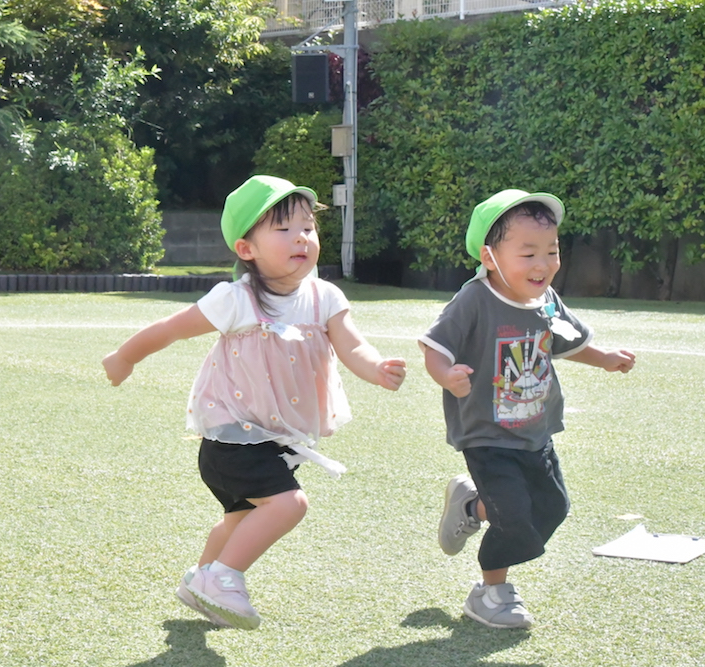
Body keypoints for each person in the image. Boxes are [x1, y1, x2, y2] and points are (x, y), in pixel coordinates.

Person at [103, 175, 407, 630]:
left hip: (276, 439)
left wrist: (377, 367)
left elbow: (352, 345)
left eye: (308, 228)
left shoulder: (325, 297)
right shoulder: (237, 299)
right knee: (289, 504)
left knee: (240, 518)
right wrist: (124, 357)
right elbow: (171, 328)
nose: (301, 238)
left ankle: (200, 579)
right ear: (247, 249)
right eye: (284, 229)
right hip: (232, 437)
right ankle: (224, 578)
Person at [418, 189, 635, 629]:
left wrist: (605, 358)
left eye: (551, 251)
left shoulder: (546, 298)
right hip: (487, 434)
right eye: (528, 253)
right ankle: (490, 592)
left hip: (536, 430)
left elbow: (567, 342)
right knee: (513, 518)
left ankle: (471, 507)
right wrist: (445, 374)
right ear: (490, 256)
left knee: (552, 508)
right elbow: (434, 346)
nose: (543, 264)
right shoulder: (474, 300)